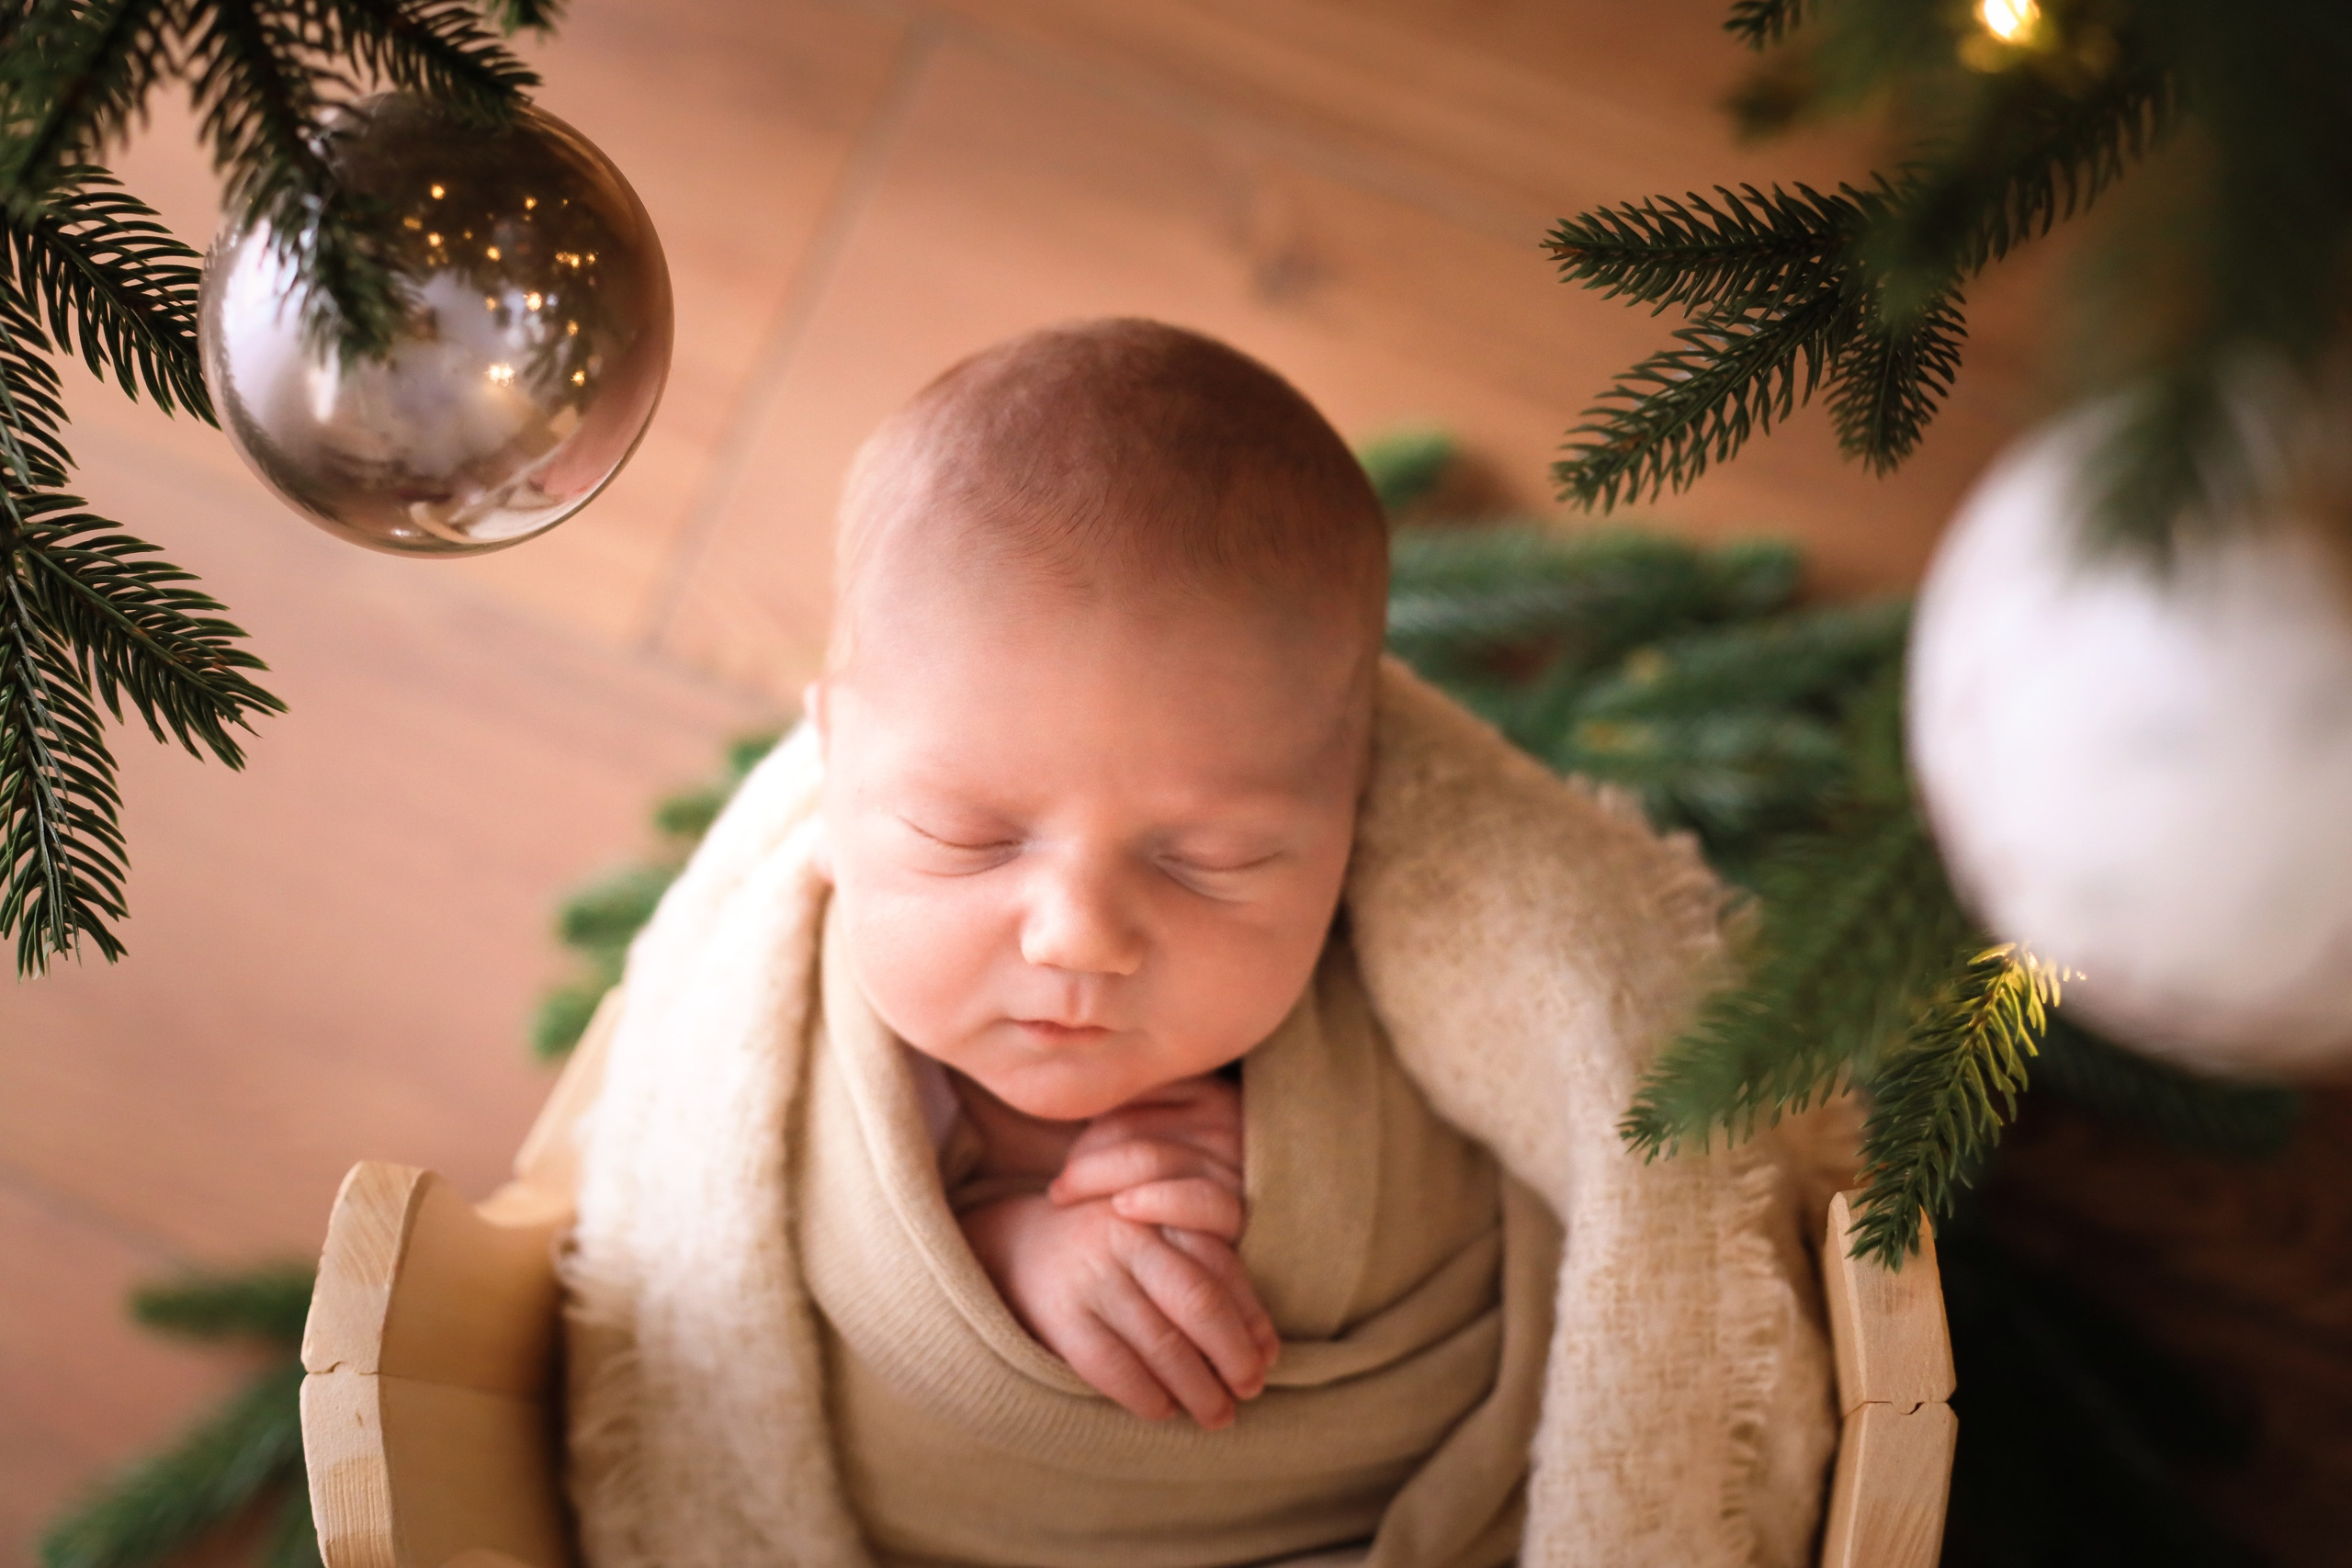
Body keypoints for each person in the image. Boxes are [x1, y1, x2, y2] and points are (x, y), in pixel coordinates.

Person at [561, 320, 1839, 1568]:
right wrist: (1007, 1249)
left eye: (1209, 861)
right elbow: (770, 1272)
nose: (1081, 935)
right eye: (972, 837)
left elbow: (1570, 1218)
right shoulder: (794, 1052)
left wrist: (1304, 1182)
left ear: (1353, 812)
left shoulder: (1416, 990)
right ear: (834, 764)